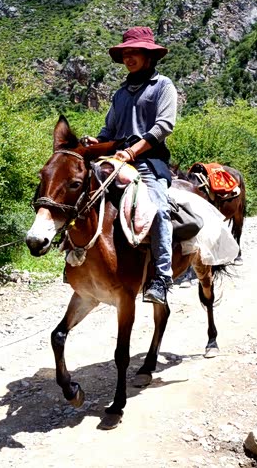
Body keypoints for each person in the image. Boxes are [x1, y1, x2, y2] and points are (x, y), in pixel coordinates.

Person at [85, 26, 178, 306]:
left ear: (149, 56)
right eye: (125, 53)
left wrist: (132, 151)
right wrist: (97, 141)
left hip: (149, 161)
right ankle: (78, 260)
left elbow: (164, 126)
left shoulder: (163, 86)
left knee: (159, 211)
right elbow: (109, 131)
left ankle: (161, 278)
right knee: (81, 196)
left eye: (135, 52)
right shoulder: (121, 94)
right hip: (116, 160)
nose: (129, 58)